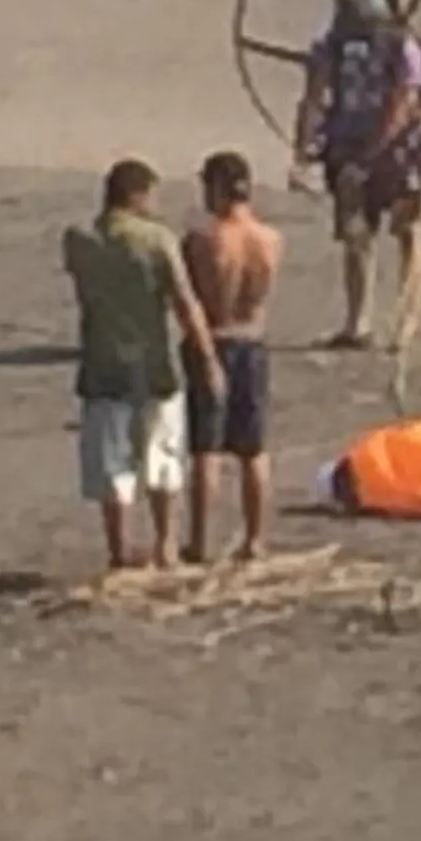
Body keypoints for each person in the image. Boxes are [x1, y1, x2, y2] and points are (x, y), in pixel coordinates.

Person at [61, 158, 223, 574]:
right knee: (163, 457)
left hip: (102, 362)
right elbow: (185, 303)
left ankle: (120, 547)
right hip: (154, 361)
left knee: (112, 462)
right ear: (137, 195)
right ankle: (165, 544)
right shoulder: (156, 239)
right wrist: (207, 360)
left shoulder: (79, 239)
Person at [288, 0, 421, 350]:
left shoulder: (397, 48)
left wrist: (375, 146)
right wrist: (303, 150)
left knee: (403, 230)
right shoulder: (339, 48)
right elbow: (313, 98)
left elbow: (405, 99)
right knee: (360, 234)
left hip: (389, 152)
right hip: (360, 151)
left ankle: (400, 324)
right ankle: (362, 324)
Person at [179, 150, 284, 564]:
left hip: (215, 338)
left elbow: (188, 297)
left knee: (206, 449)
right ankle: (255, 539)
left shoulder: (204, 240)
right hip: (253, 340)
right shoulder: (271, 240)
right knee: (253, 449)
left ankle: (201, 542)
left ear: (217, 188)